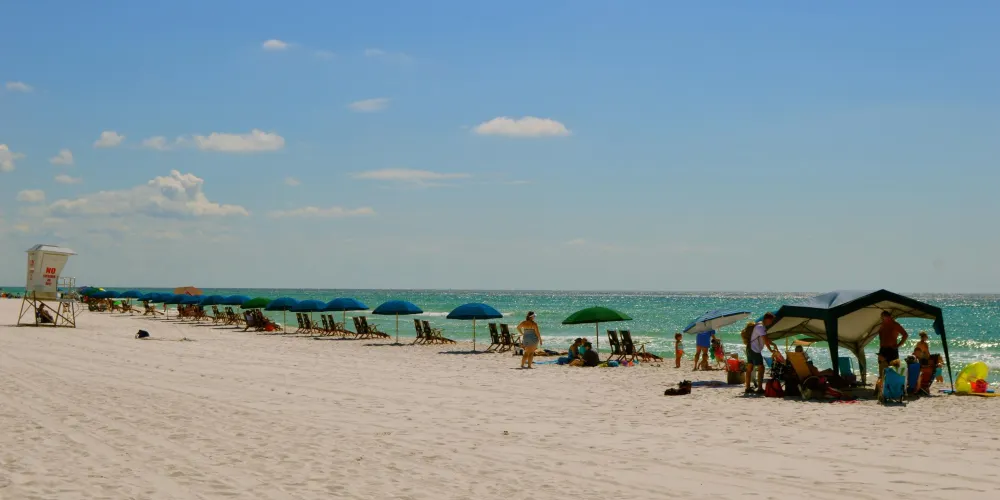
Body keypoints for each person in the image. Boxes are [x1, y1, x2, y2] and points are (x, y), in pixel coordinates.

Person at [745, 313, 777, 395]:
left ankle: (747, 388)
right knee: (761, 368)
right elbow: (765, 340)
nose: (771, 322)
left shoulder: (759, 325)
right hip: (754, 350)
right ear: (767, 319)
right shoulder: (761, 327)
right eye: (771, 320)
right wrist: (771, 350)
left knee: (749, 368)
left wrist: (773, 344)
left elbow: (765, 338)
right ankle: (759, 388)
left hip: (750, 348)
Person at [877, 311, 908, 379]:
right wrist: (881, 345)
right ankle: (881, 383)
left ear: (888, 317)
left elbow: (905, 335)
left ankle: (892, 383)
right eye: (881, 317)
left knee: (893, 369)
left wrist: (898, 345)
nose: (881, 318)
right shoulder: (882, 324)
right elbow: (880, 334)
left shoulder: (895, 324)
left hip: (892, 349)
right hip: (883, 349)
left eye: (883, 317)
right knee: (882, 369)